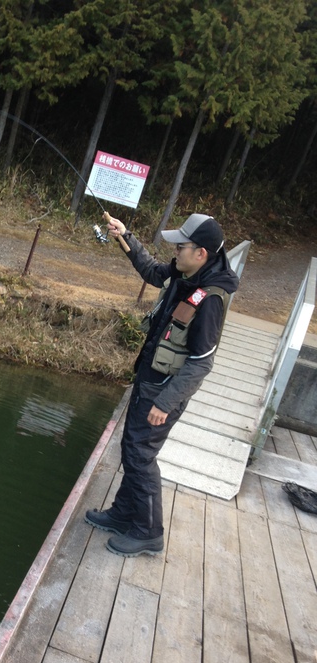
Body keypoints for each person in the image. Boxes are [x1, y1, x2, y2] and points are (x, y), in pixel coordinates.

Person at [85, 213, 239, 556]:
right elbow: (154, 272)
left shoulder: (210, 297)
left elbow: (202, 362)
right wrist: (125, 237)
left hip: (163, 392)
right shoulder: (187, 273)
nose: (176, 251)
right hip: (151, 379)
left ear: (201, 252)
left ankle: (149, 532)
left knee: (141, 456)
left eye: (181, 246)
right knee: (132, 449)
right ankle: (125, 513)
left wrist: (165, 403)